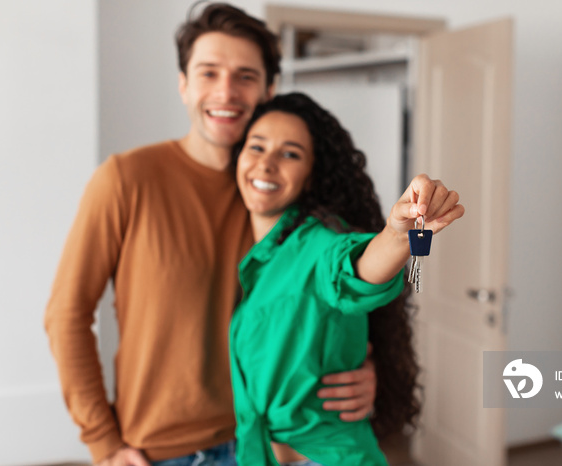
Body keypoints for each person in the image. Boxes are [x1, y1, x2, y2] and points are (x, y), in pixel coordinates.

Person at [44, 4, 379, 466]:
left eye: (245, 76)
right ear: (183, 84)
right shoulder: (126, 179)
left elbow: (329, 296)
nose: (226, 91)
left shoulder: (278, 194)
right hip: (159, 452)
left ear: (269, 89)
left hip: (264, 446)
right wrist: (103, 443)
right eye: (208, 73)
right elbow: (66, 314)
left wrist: (364, 366)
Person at [229, 93, 464, 465]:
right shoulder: (256, 257)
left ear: (311, 177)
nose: (267, 164)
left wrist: (397, 235)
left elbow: (354, 269)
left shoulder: (319, 245)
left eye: (290, 153)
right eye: (256, 147)